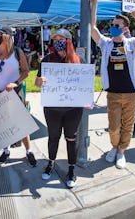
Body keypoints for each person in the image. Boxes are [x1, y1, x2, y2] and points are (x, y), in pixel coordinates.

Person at [90, 0, 135, 169]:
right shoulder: (106, 43)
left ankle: (121, 151)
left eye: (117, 25)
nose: (113, 27)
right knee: (113, 127)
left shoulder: (132, 43)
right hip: (113, 94)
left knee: (128, 125)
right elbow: (93, 28)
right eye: (112, 24)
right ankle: (114, 146)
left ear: (125, 28)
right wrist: (94, 5)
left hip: (132, 94)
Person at [35, 28, 83, 188]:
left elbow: (84, 84)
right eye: (55, 39)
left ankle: (71, 169)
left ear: (69, 41)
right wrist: (39, 81)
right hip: (52, 108)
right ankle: (51, 163)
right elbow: (36, 82)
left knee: (71, 138)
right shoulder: (47, 60)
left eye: (61, 39)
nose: (58, 42)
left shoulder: (78, 61)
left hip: (73, 109)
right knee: (53, 137)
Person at [0, 25, 37, 168]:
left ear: (6, 36)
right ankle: (6, 151)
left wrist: (15, 83)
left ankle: (29, 151)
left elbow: (26, 71)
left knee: (21, 123)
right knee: (2, 124)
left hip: (14, 93)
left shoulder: (17, 52)